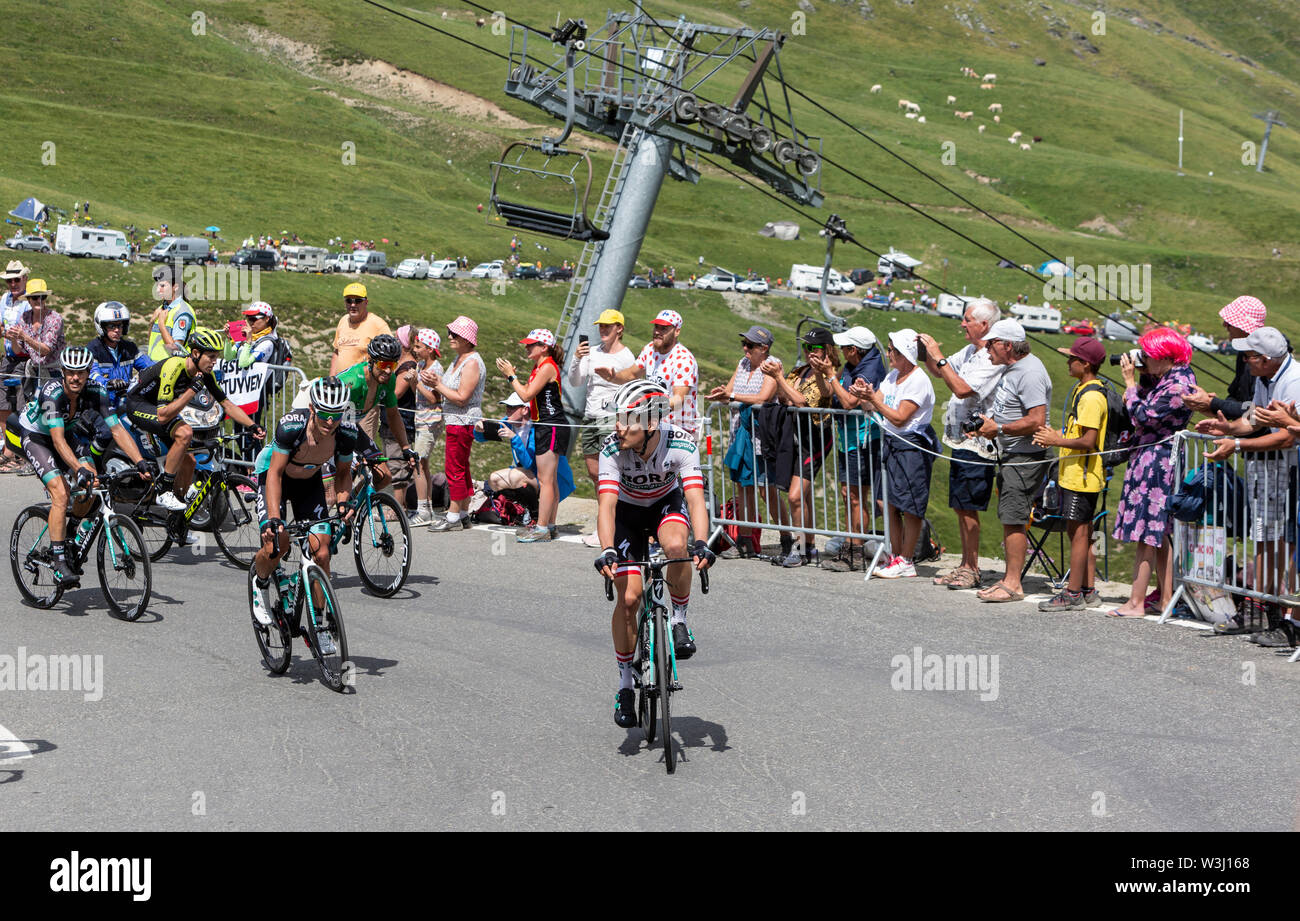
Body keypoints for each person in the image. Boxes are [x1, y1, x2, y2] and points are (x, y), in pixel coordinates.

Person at [593, 380, 715, 729]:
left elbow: (694, 499)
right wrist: (607, 550)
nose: (618, 427)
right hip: (626, 516)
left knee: (677, 548)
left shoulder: (680, 443)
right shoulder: (611, 449)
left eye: (626, 420)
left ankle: (678, 621)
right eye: (617, 418)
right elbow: (607, 506)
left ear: (649, 424)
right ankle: (625, 685)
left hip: (664, 505)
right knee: (629, 598)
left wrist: (702, 542)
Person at [250, 377, 382, 649]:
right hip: (275, 477)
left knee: (322, 553)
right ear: (312, 408)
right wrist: (274, 519)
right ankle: (259, 582)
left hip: (309, 481)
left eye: (335, 415)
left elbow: (344, 474)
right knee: (278, 542)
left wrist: (344, 502)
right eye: (323, 414)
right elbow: (274, 474)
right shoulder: (291, 426)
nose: (330, 421)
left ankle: (319, 623)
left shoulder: (345, 432)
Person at [8, 346, 154, 586]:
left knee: (93, 482)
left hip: (65, 434)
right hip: (36, 437)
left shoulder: (96, 391)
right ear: (63, 372)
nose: (75, 378)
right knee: (61, 493)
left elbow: (117, 429)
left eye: (81, 373)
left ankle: (72, 531)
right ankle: (58, 562)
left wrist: (140, 462)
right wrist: (78, 469)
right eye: (70, 372)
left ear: (88, 373)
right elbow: (56, 440)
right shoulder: (52, 393)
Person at [1200, 326, 1300, 645]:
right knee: (1264, 537)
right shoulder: (1263, 377)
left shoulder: (1293, 381)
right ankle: (1264, 610)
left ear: (1267, 359)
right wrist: (1229, 428)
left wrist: (1238, 446)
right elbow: (1255, 420)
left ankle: (1275, 613)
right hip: (1269, 470)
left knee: (1278, 541)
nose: (1245, 361)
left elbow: (1287, 435)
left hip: (1287, 470)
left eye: (1250, 356)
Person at [124, 327, 264, 511]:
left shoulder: (205, 373)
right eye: (211, 357)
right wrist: (191, 391)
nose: (215, 362)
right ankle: (165, 491)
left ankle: (178, 513)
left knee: (189, 461)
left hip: (160, 407)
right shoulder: (174, 366)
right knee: (185, 432)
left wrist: (252, 425)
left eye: (216, 357)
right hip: (139, 404)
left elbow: (227, 404)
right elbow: (163, 415)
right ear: (196, 353)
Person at [1107, 327, 1196, 617]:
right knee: (1159, 532)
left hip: (1157, 463)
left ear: (1165, 356)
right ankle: (1165, 597)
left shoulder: (1178, 384)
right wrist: (1144, 376)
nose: (1145, 360)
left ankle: (1135, 602)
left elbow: (1141, 415)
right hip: (1152, 458)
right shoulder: (1168, 378)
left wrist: (1130, 382)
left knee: (1146, 530)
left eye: (1149, 356)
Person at [917, 298, 1004, 590]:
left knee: (969, 506)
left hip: (979, 443)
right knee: (959, 505)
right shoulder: (970, 351)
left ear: (984, 325)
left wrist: (939, 357)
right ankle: (965, 564)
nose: (962, 324)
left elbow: (962, 388)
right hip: (960, 439)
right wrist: (926, 353)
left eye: (967, 320)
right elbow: (941, 371)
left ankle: (973, 567)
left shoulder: (991, 358)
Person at [969, 319, 1052, 603]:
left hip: (1025, 456)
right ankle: (1008, 579)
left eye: (991, 344)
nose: (987, 349)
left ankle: (1014, 583)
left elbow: (1037, 420)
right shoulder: (1013, 368)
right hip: (1012, 453)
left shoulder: (1029, 372)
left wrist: (1000, 429)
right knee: (1008, 517)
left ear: (1007, 345)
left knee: (1014, 517)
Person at [1033, 336, 1109, 611]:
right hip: (1078, 474)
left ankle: (1072, 593)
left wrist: (1056, 441)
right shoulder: (1086, 390)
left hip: (1082, 476)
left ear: (1085, 364)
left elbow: (1088, 441)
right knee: (1084, 534)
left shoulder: (1090, 396)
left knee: (1077, 535)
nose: (1067, 362)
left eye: (1072, 358)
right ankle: (1087, 588)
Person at [854, 329, 936, 579]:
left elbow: (900, 417)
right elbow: (874, 403)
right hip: (891, 443)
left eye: (892, 350)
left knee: (909, 505)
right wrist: (863, 394)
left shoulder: (918, 380)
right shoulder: (892, 377)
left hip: (911, 445)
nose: (888, 354)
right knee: (887, 503)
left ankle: (907, 559)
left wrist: (873, 400)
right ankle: (896, 556)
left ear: (904, 354)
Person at [761, 326, 838, 567]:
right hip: (794, 437)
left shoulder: (828, 373)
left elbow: (805, 400)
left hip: (813, 438)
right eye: (805, 347)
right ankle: (809, 547)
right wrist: (783, 384)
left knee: (795, 496)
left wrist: (780, 379)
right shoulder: (799, 370)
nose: (808, 352)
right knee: (800, 496)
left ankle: (802, 546)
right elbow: (786, 397)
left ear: (826, 350)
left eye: (813, 347)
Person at [817, 326, 886, 572]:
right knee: (849, 494)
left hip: (863, 439)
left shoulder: (869, 369)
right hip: (849, 438)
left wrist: (831, 375)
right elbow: (829, 395)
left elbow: (847, 403)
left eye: (845, 347)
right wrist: (821, 373)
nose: (841, 351)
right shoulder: (852, 366)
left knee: (856, 496)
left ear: (854, 349)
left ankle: (854, 551)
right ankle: (851, 544)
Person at [707, 326, 779, 560]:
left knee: (765, 489)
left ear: (764, 348)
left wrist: (733, 397)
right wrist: (721, 394)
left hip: (761, 438)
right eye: (744, 344)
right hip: (740, 434)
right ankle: (745, 540)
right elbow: (729, 392)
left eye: (750, 345)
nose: (745, 348)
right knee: (742, 487)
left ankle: (789, 537)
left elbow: (764, 398)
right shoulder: (743, 363)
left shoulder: (772, 365)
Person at [568, 309, 635, 547]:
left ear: (620, 328)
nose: (603, 330)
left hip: (613, 420)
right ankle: (606, 525)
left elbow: (633, 389)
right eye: (600, 326)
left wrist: (626, 423)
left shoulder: (628, 357)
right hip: (591, 417)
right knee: (595, 474)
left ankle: (616, 527)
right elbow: (575, 381)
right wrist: (577, 357)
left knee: (613, 475)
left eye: (608, 326)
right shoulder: (592, 352)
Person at [496, 328, 567, 542]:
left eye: (531, 344)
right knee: (550, 481)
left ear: (544, 347)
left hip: (551, 424)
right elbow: (526, 391)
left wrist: (511, 376)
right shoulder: (539, 367)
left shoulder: (547, 366)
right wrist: (516, 379)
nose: (527, 347)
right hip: (545, 424)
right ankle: (549, 525)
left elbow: (525, 394)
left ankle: (543, 527)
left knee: (545, 481)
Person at [595, 309, 699, 438]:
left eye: (664, 329)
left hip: (680, 429)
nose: (657, 332)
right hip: (655, 425)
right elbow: (632, 374)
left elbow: (678, 400)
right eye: (656, 327)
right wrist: (613, 377)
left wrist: (646, 407)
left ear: (677, 331)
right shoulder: (649, 349)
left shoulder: (684, 359)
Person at [427, 315, 485, 531]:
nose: (450, 337)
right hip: (457, 421)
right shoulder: (459, 360)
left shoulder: (471, 363)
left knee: (454, 468)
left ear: (467, 339)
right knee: (461, 467)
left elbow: (462, 397)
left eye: (455, 334)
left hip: (462, 421)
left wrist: (437, 385)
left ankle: (453, 516)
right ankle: (462, 511)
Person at [335, 333, 417, 481]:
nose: (387, 371)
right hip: (331, 427)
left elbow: (393, 415)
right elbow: (327, 416)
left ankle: (361, 501)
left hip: (351, 427)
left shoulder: (389, 380)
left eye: (392, 365)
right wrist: (348, 452)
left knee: (384, 476)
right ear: (371, 361)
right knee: (339, 483)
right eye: (383, 365)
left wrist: (406, 448)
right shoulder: (353, 382)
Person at [1183, 296, 1267, 420]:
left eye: (1229, 323)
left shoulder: (1263, 362)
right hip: (1246, 432)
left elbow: (1256, 410)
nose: (1224, 325)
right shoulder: (1243, 353)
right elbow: (1235, 396)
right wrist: (1214, 405)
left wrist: (1213, 403)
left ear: (1243, 328)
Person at [407, 328, 445, 527]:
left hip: (429, 421)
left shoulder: (435, 370)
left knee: (417, 463)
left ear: (430, 349)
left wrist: (416, 383)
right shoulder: (422, 365)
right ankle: (427, 507)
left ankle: (423, 510)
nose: (415, 349)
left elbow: (433, 398)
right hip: (421, 419)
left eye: (418, 346)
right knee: (423, 463)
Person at [329, 283, 391, 376]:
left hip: (364, 386)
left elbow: (391, 356)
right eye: (349, 301)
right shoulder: (343, 320)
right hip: (340, 385)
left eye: (358, 301)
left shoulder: (378, 325)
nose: (353, 305)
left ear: (366, 302)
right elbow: (337, 353)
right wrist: (331, 379)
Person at [147, 264, 196, 361]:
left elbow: (176, 349)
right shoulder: (161, 309)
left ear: (175, 287)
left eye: (162, 286)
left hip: (170, 370)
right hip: (154, 368)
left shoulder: (182, 312)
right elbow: (152, 341)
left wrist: (161, 325)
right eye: (157, 286)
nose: (157, 290)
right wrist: (152, 322)